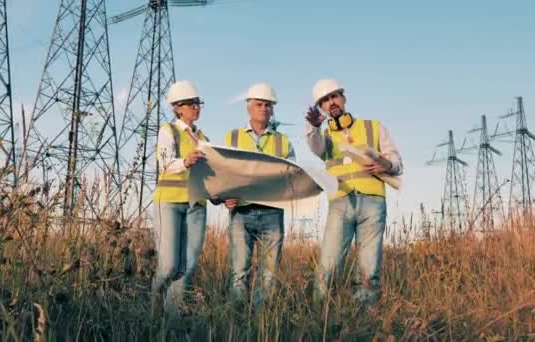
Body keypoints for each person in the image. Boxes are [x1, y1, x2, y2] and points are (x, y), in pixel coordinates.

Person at [305, 79, 403, 307]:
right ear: (321, 108)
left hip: (373, 204)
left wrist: (386, 166)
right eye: (325, 101)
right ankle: (321, 317)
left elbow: (397, 161)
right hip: (340, 204)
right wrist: (313, 126)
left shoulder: (373, 127)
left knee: (369, 269)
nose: (331, 103)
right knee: (327, 267)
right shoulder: (324, 135)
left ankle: (365, 317)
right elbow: (315, 146)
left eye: (334, 96)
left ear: (344, 97)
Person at [223, 82, 295, 305]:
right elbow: (223, 172)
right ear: (249, 107)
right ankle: (236, 324)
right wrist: (225, 196)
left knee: (269, 275)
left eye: (268, 105)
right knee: (239, 272)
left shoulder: (283, 141)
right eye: (259, 104)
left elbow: (292, 174)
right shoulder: (232, 137)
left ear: (272, 109)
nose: (264, 108)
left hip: (272, 212)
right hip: (240, 212)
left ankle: (258, 324)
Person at [150, 80, 210, 319]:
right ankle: (154, 311)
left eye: (198, 103)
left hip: (196, 204)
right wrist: (185, 161)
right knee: (168, 266)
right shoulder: (169, 130)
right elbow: (164, 162)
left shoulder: (202, 137)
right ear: (177, 108)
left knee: (187, 266)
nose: (196, 107)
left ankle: (172, 319)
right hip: (170, 203)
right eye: (191, 103)